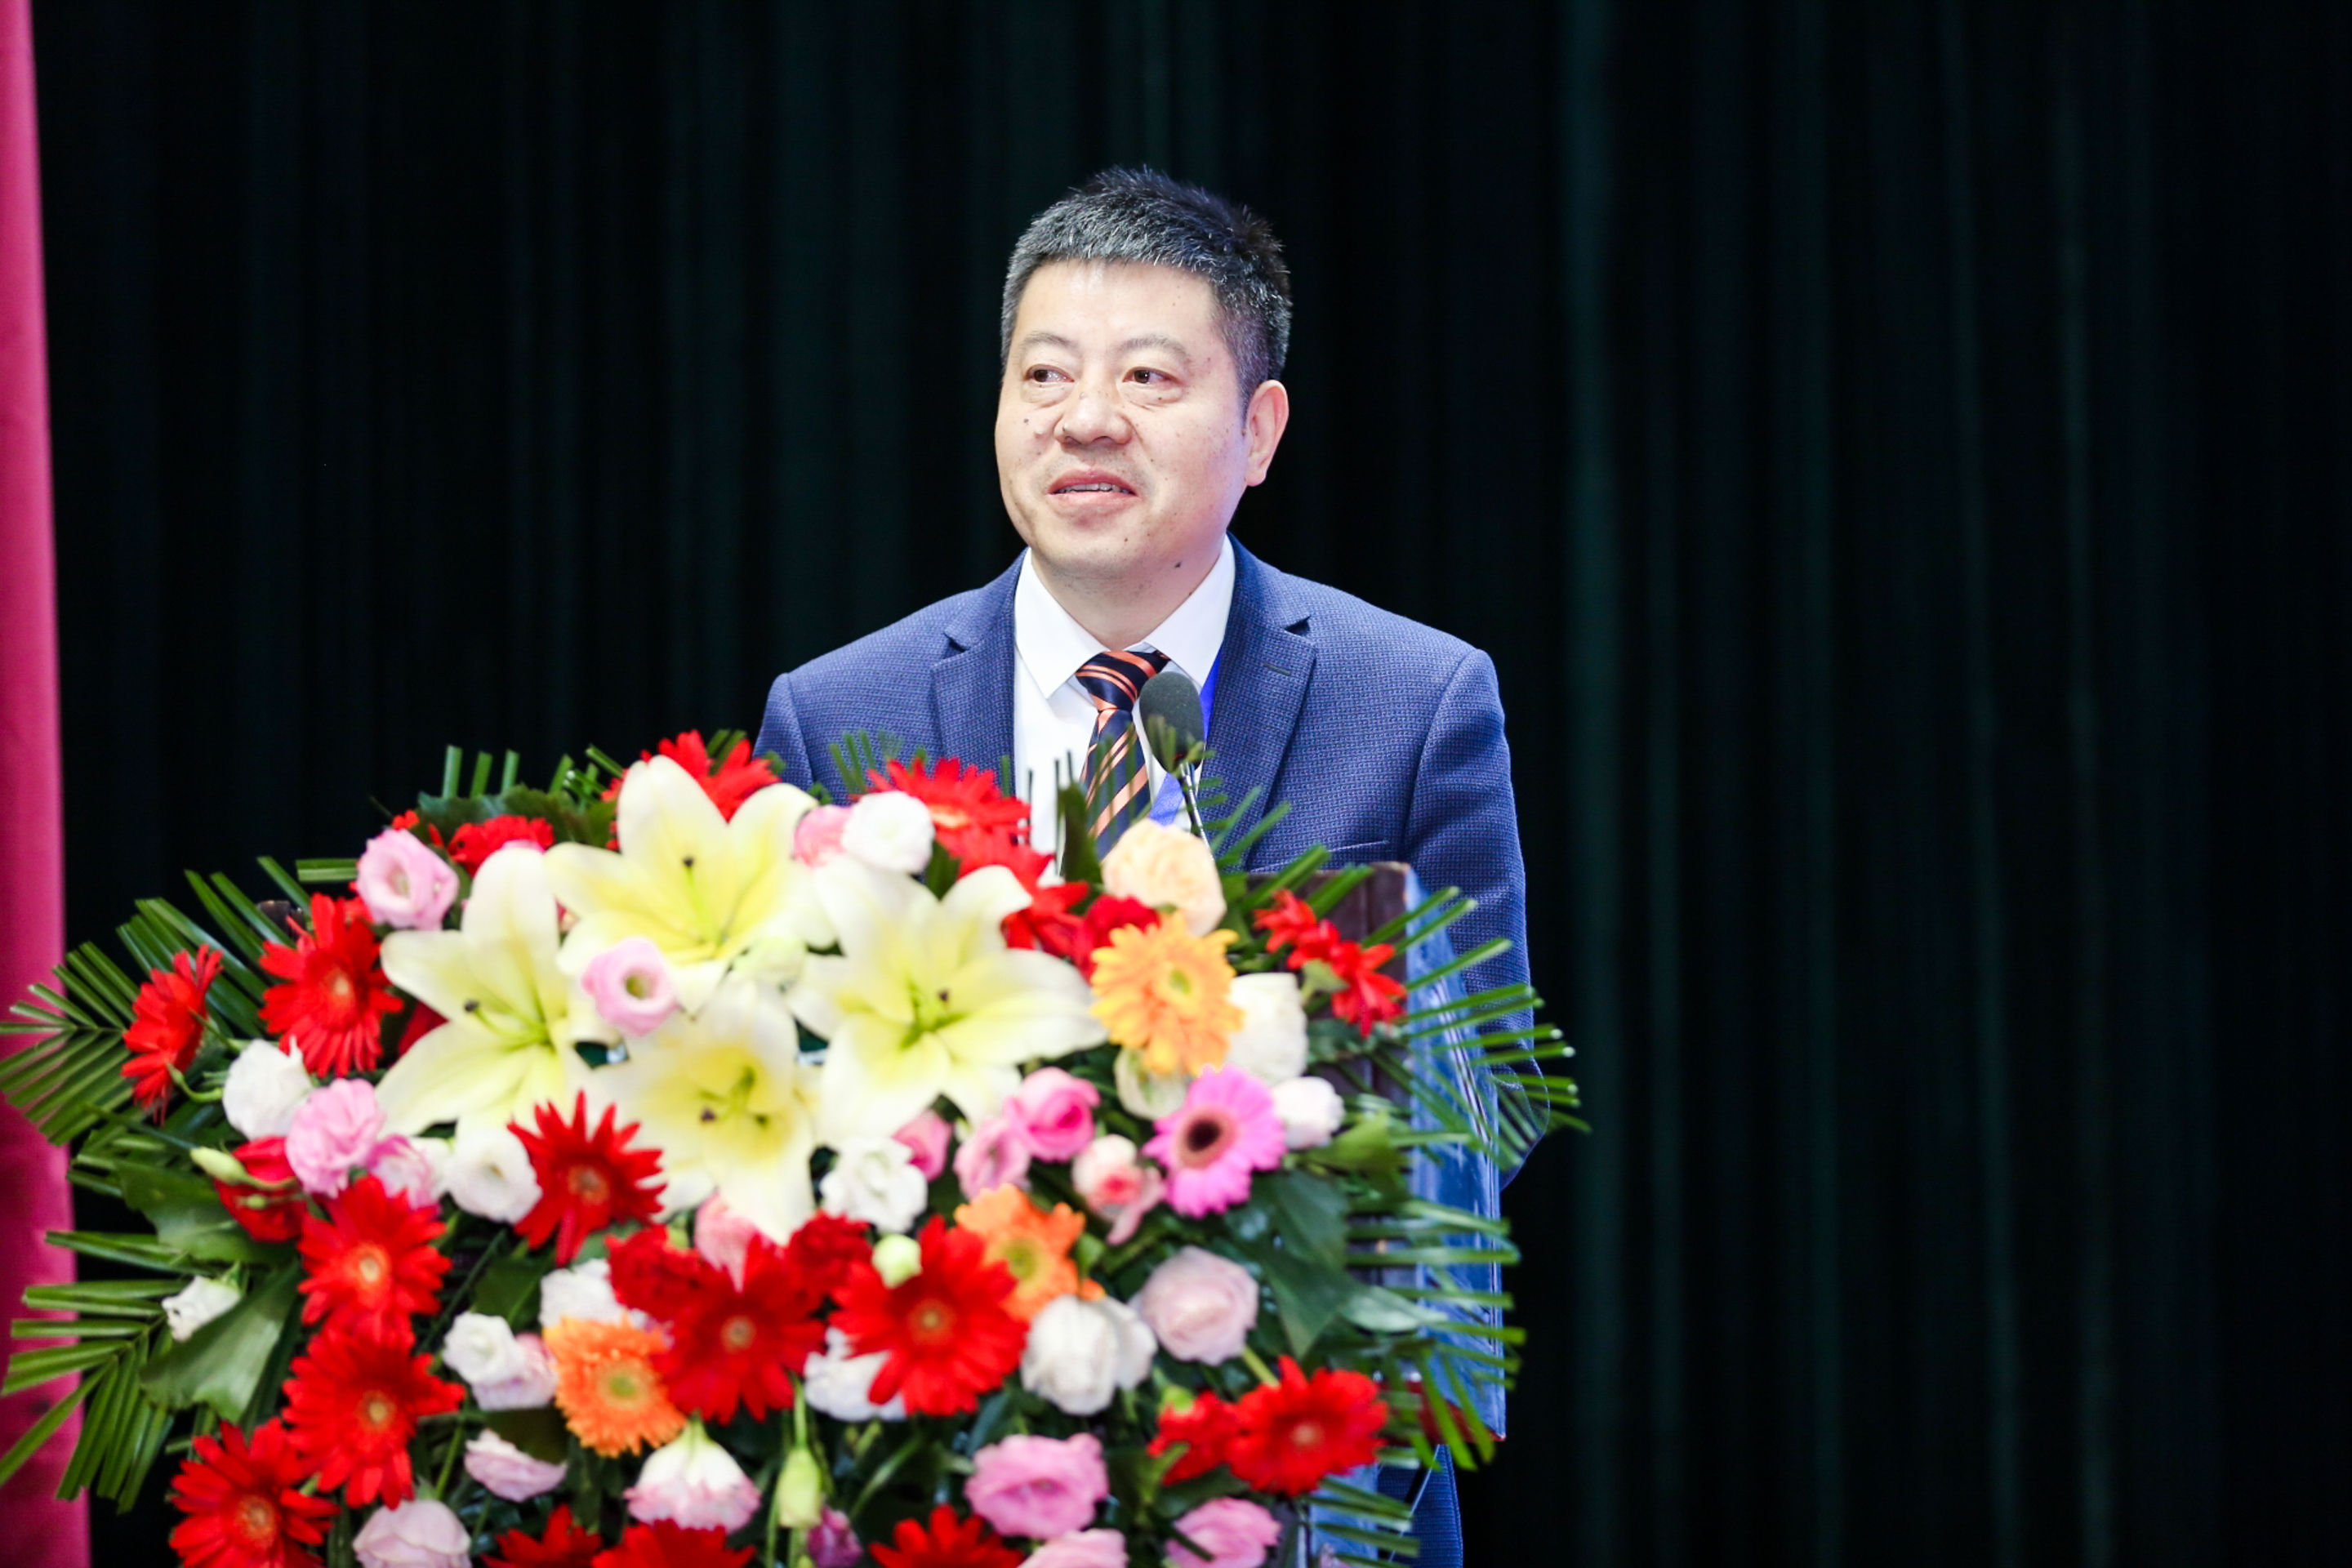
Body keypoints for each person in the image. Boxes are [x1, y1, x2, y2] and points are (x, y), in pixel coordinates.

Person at [754, 168, 1524, 1566]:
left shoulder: (1412, 702)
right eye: (1043, 373)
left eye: (1150, 376)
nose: (1086, 416)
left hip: (1295, 1478)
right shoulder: (841, 713)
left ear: (1260, 429)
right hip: (937, 1469)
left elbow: (1483, 1099)